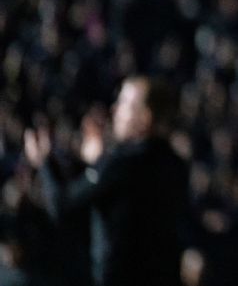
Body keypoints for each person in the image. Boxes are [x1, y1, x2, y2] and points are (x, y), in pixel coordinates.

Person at [23, 76, 189, 286]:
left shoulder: (121, 164)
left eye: (124, 104)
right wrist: (98, 163)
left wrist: (44, 162)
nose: (115, 110)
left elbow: (62, 206)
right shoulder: (175, 164)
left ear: (144, 118)